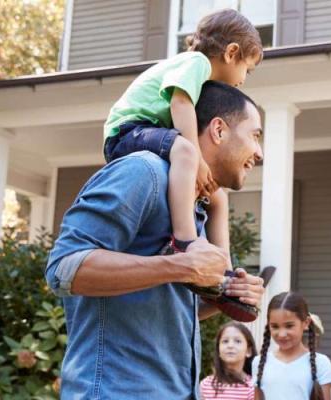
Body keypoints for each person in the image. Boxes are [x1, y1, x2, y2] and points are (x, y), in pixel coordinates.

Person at [45, 81, 265, 399]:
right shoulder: (142, 173)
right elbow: (64, 268)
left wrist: (225, 295)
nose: (259, 152)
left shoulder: (196, 209)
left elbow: (165, 302)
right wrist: (182, 265)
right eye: (255, 135)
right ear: (219, 130)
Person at [102, 9, 263, 313]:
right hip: (127, 131)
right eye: (247, 69)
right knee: (185, 152)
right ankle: (186, 241)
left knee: (217, 196)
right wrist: (196, 155)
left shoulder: (197, 75)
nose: (243, 79)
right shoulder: (195, 63)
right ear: (231, 53)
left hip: (146, 132)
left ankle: (224, 275)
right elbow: (180, 103)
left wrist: (222, 288)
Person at [253, 292, 331, 400]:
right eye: (275, 326)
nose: (282, 334)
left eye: (289, 326)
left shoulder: (321, 363)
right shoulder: (259, 362)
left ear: (306, 323)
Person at [201, 322, 257, 400]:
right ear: (218, 351)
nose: (230, 346)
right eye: (225, 341)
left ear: (248, 351)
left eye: (237, 341)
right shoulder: (206, 385)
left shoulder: (253, 387)